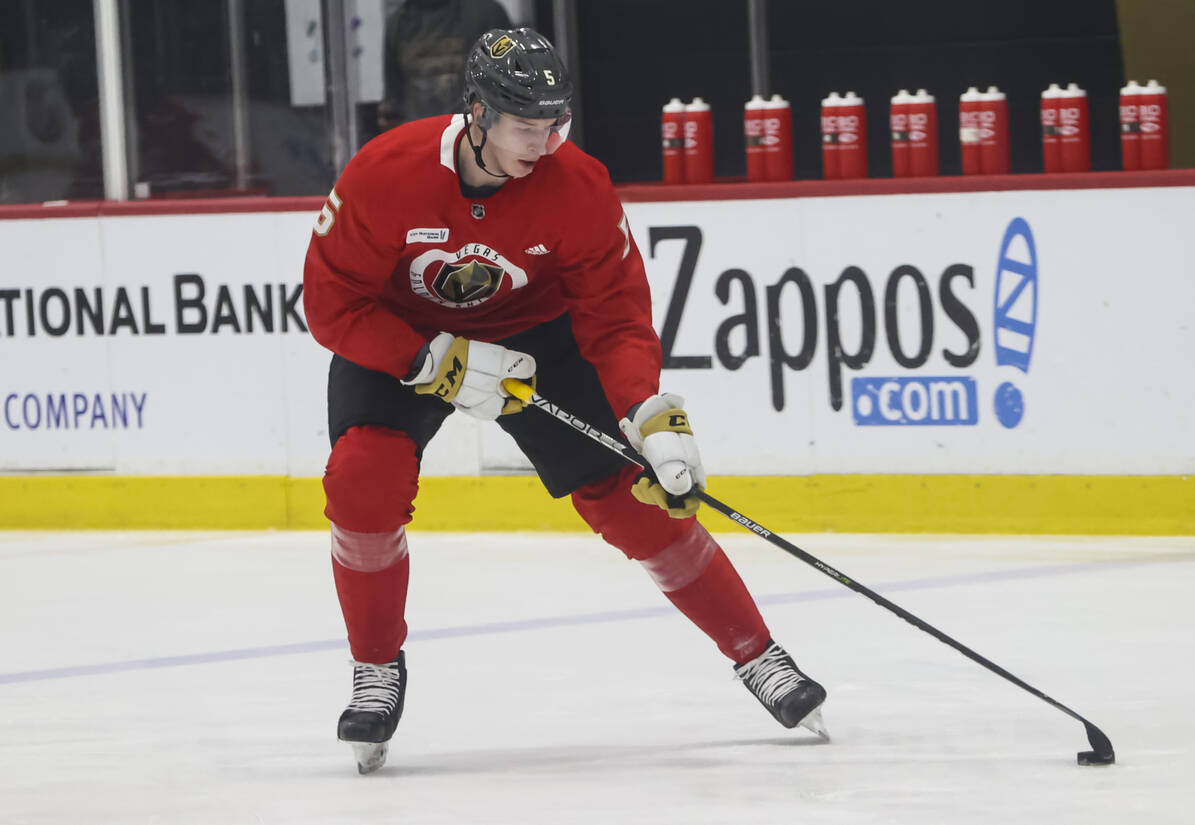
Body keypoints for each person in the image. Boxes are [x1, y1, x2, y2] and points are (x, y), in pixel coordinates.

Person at [303, 27, 827, 775]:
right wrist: (426, 360)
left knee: (630, 502)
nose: (545, 142)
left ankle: (759, 654)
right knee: (362, 481)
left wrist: (649, 413)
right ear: (478, 114)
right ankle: (376, 667)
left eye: (557, 123)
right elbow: (330, 304)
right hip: (404, 334)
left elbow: (615, 317)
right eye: (526, 125)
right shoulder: (383, 173)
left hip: (536, 337)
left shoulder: (576, 184)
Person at [375, 0, 512, 132]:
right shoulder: (397, 25)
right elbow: (393, 102)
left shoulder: (487, 13)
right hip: (422, 142)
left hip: (475, 141)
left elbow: (512, 88)